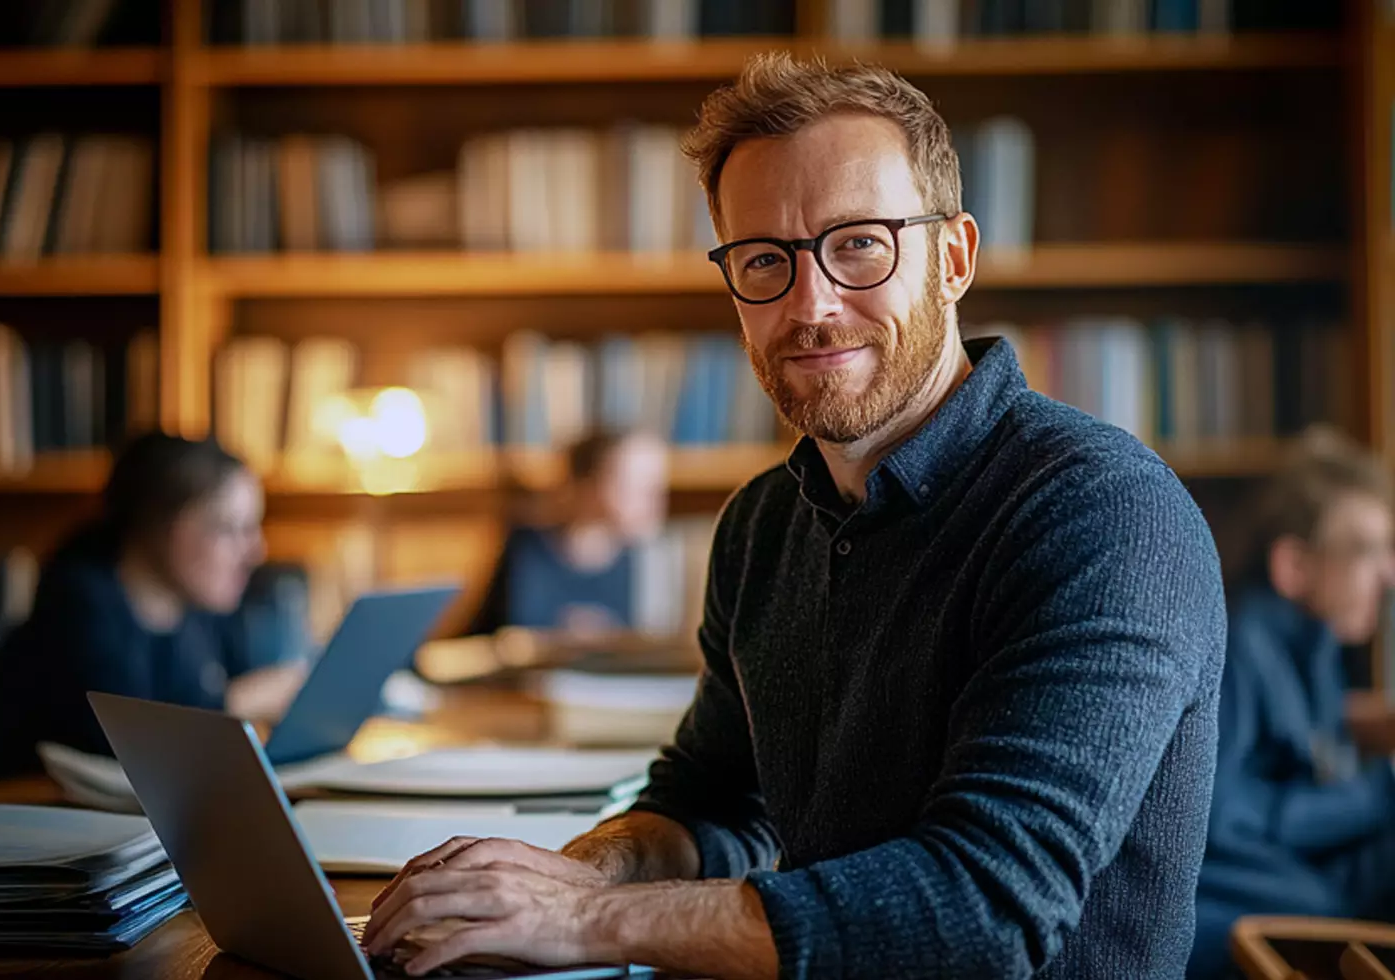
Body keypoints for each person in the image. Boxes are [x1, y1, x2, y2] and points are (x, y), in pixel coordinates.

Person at [361, 52, 1226, 980]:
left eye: (859, 243)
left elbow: (982, 911)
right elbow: (712, 802)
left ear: (955, 259)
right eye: (766, 259)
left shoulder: (1103, 513)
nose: (810, 305)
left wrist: (584, 920)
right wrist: (560, 878)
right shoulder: (763, 525)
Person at [0, 432, 305, 794]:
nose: (256, 551)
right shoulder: (78, 607)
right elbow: (130, 751)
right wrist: (249, 698)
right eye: (230, 529)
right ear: (163, 525)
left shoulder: (194, 616)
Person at [1190, 428, 1395, 979]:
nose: (1388, 574)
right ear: (1293, 567)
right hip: (1234, 903)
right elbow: (1221, 821)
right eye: (1367, 551)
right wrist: (1384, 788)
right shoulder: (1239, 646)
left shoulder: (1317, 647)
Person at [463, 428, 669, 640]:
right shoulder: (527, 548)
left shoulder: (645, 562)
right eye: (633, 486)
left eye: (655, 487)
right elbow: (497, 634)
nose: (653, 503)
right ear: (587, 485)